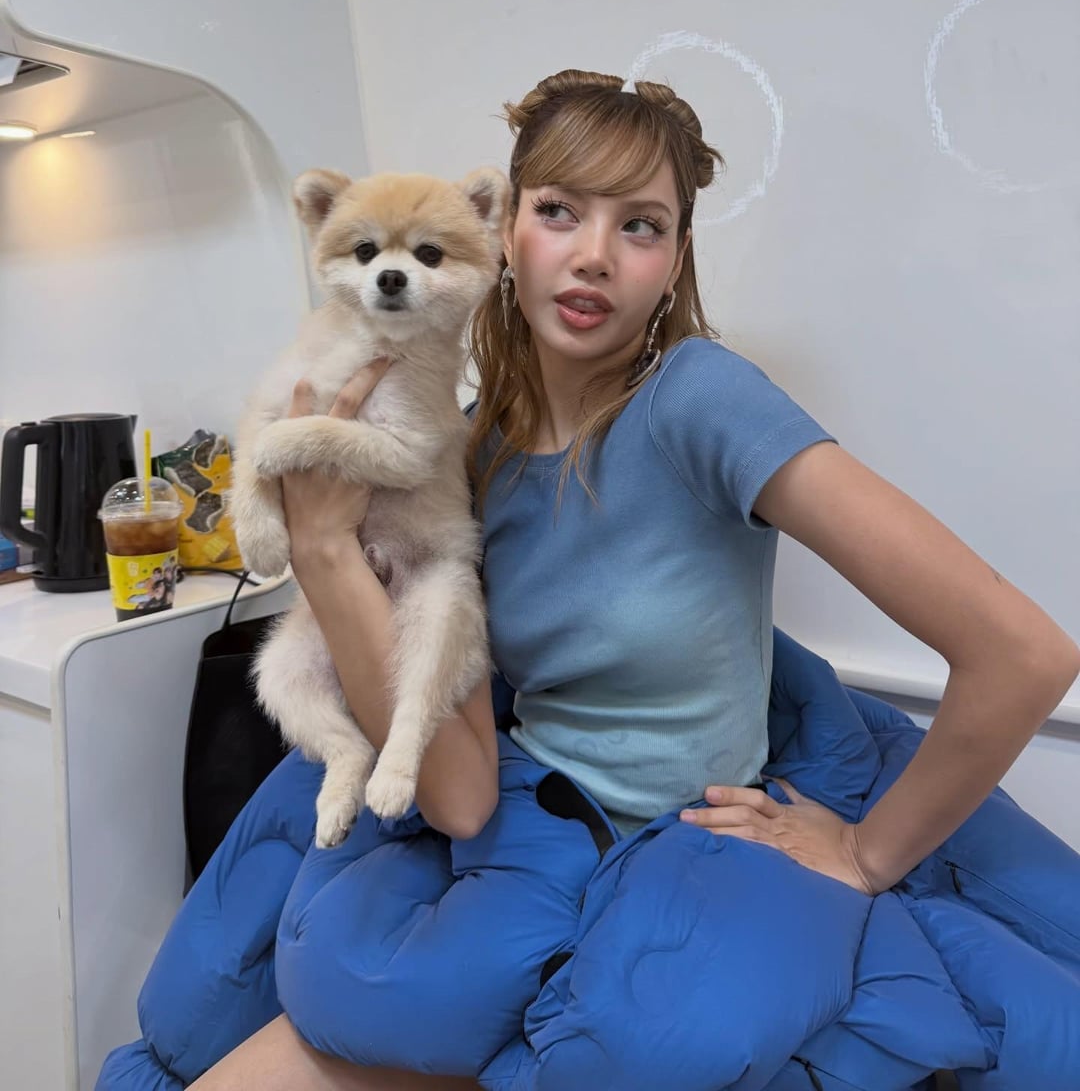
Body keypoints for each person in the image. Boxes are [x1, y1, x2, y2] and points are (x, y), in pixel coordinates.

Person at [186, 68, 1078, 1089]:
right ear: (504, 232)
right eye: (559, 212)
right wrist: (321, 549)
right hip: (543, 822)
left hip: (689, 839)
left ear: (675, 259)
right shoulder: (473, 446)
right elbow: (460, 795)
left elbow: (1023, 653)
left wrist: (868, 856)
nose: (595, 256)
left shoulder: (702, 399)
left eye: (641, 225)